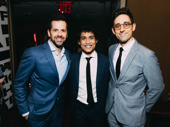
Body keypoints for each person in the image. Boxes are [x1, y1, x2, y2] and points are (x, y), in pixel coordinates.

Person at [106, 7, 164, 127]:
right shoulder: (111, 50)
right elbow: (115, 82)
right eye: (117, 26)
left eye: (126, 24)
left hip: (133, 118)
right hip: (111, 113)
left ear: (133, 26)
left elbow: (157, 87)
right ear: (113, 30)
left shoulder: (147, 55)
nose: (122, 29)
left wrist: (142, 109)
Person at [14, 14, 71, 127]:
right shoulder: (33, 53)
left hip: (58, 113)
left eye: (63, 30)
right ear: (49, 33)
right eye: (55, 30)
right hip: (37, 114)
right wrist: (25, 112)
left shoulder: (68, 55)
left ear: (67, 33)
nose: (59, 34)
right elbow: (19, 84)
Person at [69, 25, 110, 127]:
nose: (87, 42)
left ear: (96, 40)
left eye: (91, 38)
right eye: (83, 38)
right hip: (78, 109)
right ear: (79, 42)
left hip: (98, 109)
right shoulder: (71, 60)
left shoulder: (106, 61)